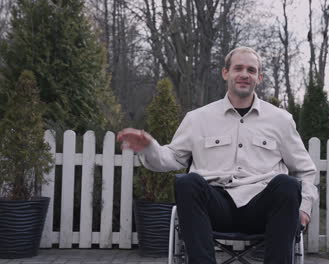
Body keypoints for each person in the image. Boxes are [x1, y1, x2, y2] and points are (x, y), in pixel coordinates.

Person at [117, 47, 318, 264]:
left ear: (259, 78)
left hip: (261, 208)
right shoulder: (198, 119)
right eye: (238, 68)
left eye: (251, 70)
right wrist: (150, 147)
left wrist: (304, 208)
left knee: (287, 184)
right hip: (215, 207)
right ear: (225, 73)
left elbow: (305, 170)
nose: (244, 74)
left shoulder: (281, 120)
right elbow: (171, 158)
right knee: (187, 182)